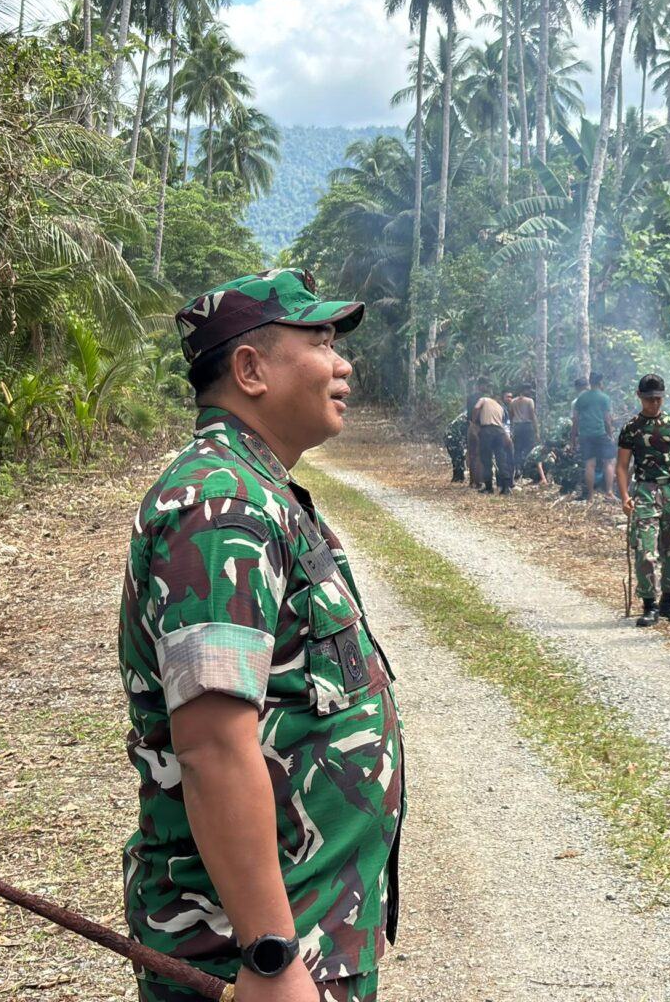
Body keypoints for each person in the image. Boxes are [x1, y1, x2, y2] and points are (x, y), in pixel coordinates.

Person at [120, 268, 402, 1002]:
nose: (342, 364)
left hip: (306, 930)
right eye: (321, 342)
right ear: (250, 370)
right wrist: (271, 956)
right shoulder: (221, 509)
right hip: (245, 955)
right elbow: (212, 747)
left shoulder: (260, 491)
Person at [615, 373, 670, 628]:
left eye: (658, 398)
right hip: (645, 491)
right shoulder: (631, 428)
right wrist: (625, 496)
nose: (654, 403)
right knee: (645, 550)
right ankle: (649, 604)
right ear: (639, 397)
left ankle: (669, 603)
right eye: (649, 399)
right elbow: (622, 465)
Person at [572, 373, 617, 502]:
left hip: (585, 435)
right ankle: (609, 492)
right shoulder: (604, 398)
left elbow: (575, 420)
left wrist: (573, 438)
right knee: (609, 461)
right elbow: (607, 420)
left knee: (589, 464)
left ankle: (590, 496)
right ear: (600, 383)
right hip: (600, 433)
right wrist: (610, 435)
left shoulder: (581, 398)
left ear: (590, 382)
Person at [470, 384, 512, 495]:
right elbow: (502, 423)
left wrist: (474, 421)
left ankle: (489, 487)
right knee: (501, 459)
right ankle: (506, 487)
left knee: (486, 460)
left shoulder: (484, 399)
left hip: (487, 431)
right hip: (499, 432)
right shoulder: (500, 407)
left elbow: (476, 408)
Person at [507, 385, 540, 484]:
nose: (529, 392)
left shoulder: (513, 402)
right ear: (524, 390)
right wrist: (537, 431)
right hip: (527, 426)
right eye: (528, 390)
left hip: (517, 427)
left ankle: (518, 469)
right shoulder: (529, 401)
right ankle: (526, 471)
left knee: (517, 449)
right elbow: (532, 415)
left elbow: (511, 417)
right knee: (528, 449)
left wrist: (511, 430)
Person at [442, 418, 466, 484]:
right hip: (453, 437)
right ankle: (458, 478)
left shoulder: (465, 417)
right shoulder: (467, 419)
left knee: (457, 457)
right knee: (458, 457)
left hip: (452, 436)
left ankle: (457, 477)